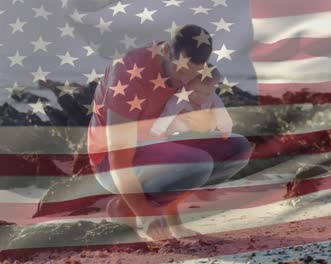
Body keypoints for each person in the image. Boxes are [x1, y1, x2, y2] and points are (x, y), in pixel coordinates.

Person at [87, 24, 253, 240]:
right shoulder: (128, 76)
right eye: (181, 71)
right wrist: (146, 215)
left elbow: (173, 142)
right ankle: (131, 207)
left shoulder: (190, 72)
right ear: (166, 51)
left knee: (236, 148)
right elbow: (118, 158)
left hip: (155, 148)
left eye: (193, 72)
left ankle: (124, 207)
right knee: (198, 163)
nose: (184, 81)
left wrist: (177, 227)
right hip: (109, 162)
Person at [150, 65, 233, 141]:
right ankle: (173, 137)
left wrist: (226, 129)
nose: (201, 97)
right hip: (182, 129)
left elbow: (222, 112)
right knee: (177, 123)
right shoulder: (181, 97)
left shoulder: (213, 97)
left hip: (203, 127)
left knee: (215, 114)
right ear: (187, 85)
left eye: (207, 94)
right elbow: (168, 113)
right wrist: (157, 131)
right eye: (196, 91)